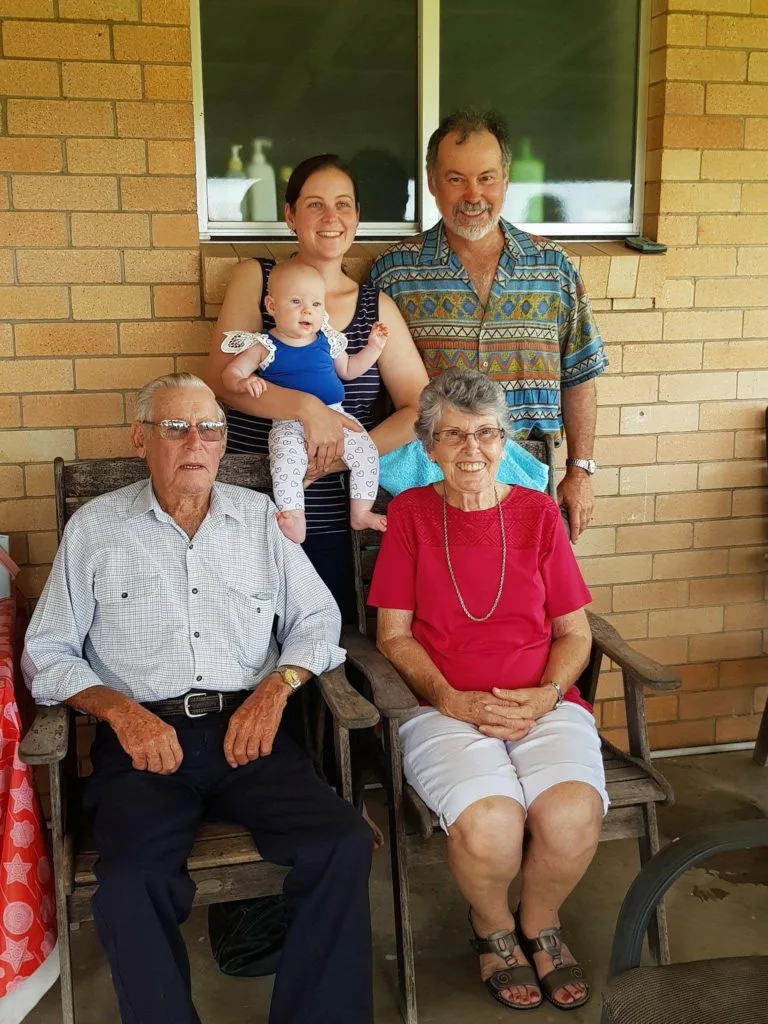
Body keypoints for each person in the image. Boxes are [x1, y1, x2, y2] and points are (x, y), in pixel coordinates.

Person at [22, 373, 374, 1024]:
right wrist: (119, 712)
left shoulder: (262, 521)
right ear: (140, 439)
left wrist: (278, 687)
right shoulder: (97, 530)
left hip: (251, 730)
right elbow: (46, 654)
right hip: (143, 742)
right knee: (130, 881)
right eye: (176, 427)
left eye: (209, 429)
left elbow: (318, 623)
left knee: (342, 842)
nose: (196, 442)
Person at [368, 368, 607, 1012]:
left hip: (541, 699)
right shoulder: (412, 515)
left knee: (571, 813)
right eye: (453, 436)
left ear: (505, 441)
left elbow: (574, 633)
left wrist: (550, 695)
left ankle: (539, 921)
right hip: (442, 706)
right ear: (429, 445)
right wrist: (446, 697)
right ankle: (493, 927)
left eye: (485, 434)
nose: (471, 449)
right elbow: (393, 635)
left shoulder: (536, 514)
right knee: (491, 825)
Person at [205, 153, 428, 618]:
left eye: (344, 205)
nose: (331, 218)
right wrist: (309, 408)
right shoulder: (258, 278)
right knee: (253, 644)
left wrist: (343, 453)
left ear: (357, 216)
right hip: (252, 501)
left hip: (336, 512)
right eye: (314, 205)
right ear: (290, 215)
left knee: (329, 641)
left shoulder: (375, 307)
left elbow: (419, 406)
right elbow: (223, 381)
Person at [369, 109, 607, 543]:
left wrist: (580, 470)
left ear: (506, 179)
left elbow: (580, 376)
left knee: (525, 604)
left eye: (487, 177)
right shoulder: (393, 273)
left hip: (527, 483)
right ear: (432, 182)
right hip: (424, 489)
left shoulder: (553, 269)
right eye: (456, 178)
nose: (473, 194)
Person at [221, 259, 388, 543]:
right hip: (289, 423)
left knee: (367, 453)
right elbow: (230, 373)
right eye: (296, 301)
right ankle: (294, 518)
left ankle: (361, 512)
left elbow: (349, 369)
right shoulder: (266, 345)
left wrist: (373, 347)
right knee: (286, 466)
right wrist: (243, 381)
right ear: (272, 306)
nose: (307, 310)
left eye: (316, 304)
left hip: (336, 416)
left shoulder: (327, 340)